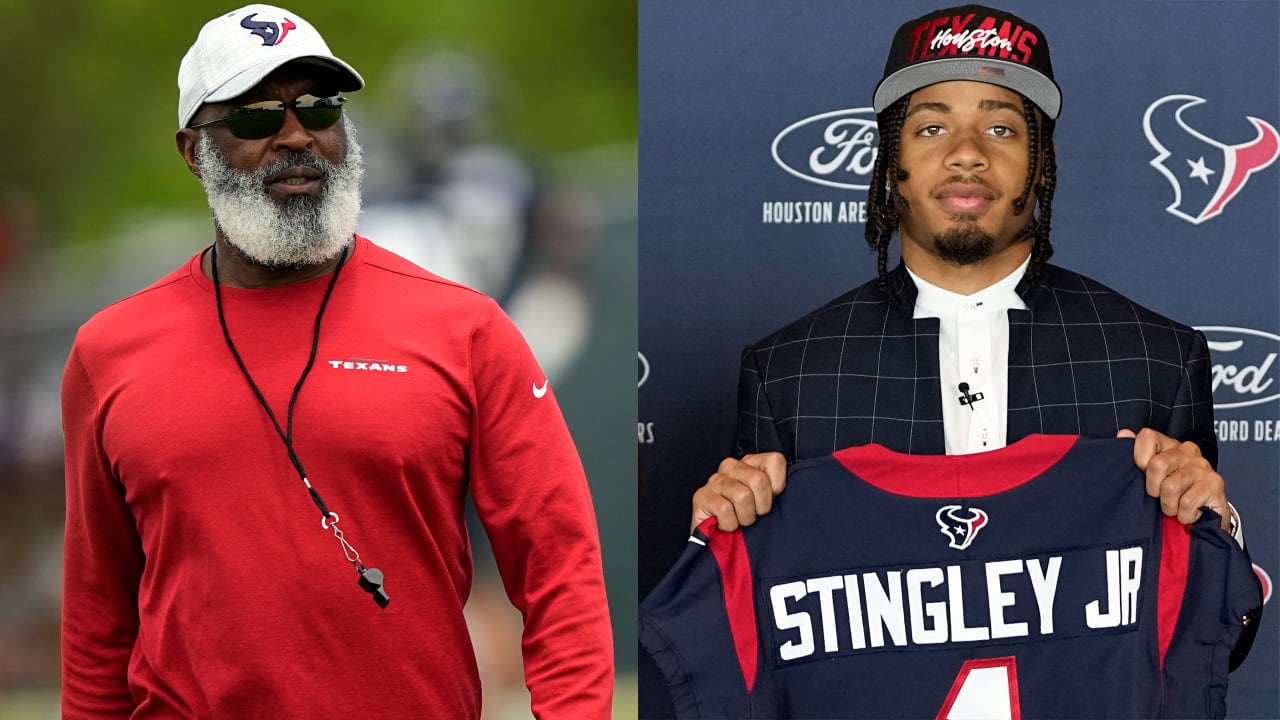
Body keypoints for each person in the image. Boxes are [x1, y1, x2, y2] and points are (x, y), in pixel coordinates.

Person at [60, 5, 613, 718]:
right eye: (257, 117)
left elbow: (560, 568)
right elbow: (99, 616)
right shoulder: (109, 352)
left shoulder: (467, 329)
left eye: (318, 108)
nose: (297, 135)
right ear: (195, 150)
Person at [691, 4, 1242, 549]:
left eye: (1000, 127)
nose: (966, 154)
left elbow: (1200, 619)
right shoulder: (788, 373)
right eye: (932, 127)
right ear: (889, 161)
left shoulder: (1156, 359)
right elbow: (759, 616)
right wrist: (717, 542)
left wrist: (1219, 527)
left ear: (1043, 161)